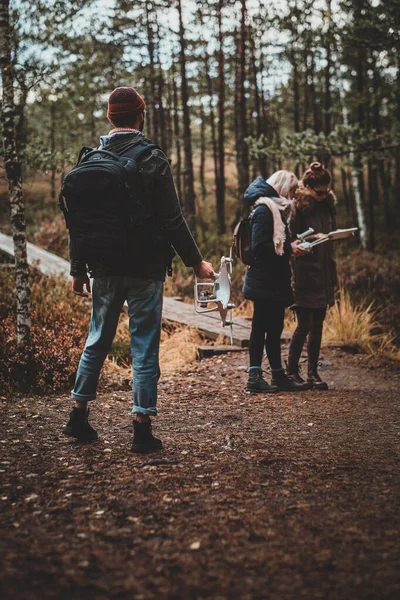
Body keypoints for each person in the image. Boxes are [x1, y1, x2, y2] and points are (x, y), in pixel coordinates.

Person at [62, 86, 213, 452]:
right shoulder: (153, 159)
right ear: (139, 115)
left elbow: (79, 223)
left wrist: (78, 269)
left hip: (104, 266)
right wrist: (196, 262)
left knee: (97, 338)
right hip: (145, 268)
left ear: (111, 117)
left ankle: (78, 416)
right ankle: (141, 428)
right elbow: (172, 219)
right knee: (144, 345)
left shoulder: (89, 161)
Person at [242, 171, 309, 393]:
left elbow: (276, 244)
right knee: (260, 328)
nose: (291, 195)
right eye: (290, 190)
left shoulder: (276, 209)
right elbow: (260, 246)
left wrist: (292, 244)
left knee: (275, 329)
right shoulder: (264, 209)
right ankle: (254, 377)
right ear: (281, 188)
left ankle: (278, 376)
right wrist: (289, 248)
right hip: (264, 280)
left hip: (274, 280)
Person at [287, 162, 337, 390]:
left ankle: (313, 374)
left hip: (325, 271)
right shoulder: (297, 209)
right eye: (319, 191)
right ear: (307, 187)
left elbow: (331, 231)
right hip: (305, 273)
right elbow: (290, 241)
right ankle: (291, 371)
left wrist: (332, 236)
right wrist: (310, 239)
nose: (323, 195)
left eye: (327, 190)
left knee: (318, 324)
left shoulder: (327, 206)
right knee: (304, 324)